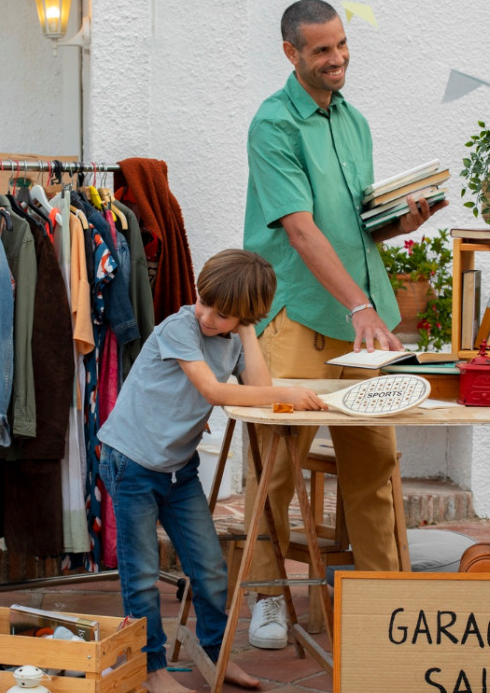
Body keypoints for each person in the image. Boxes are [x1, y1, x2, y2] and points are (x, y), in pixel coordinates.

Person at [240, 0, 442, 649]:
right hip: (299, 315)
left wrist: (400, 221)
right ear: (291, 53)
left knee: (375, 464)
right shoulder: (273, 125)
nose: (337, 59)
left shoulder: (354, 123)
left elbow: (353, 218)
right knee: (275, 468)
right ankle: (267, 597)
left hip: (361, 318)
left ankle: (387, 597)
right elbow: (300, 229)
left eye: (342, 45)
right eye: (322, 50)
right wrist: (360, 305)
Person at [97, 249, 325, 693]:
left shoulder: (236, 335)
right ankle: (151, 671)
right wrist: (287, 393)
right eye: (204, 302)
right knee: (142, 576)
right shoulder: (179, 327)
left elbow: (257, 387)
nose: (205, 315)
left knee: (212, 572)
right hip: (132, 463)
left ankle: (217, 659)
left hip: (178, 470)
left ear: (243, 318)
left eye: (222, 315)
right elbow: (214, 391)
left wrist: (247, 331)